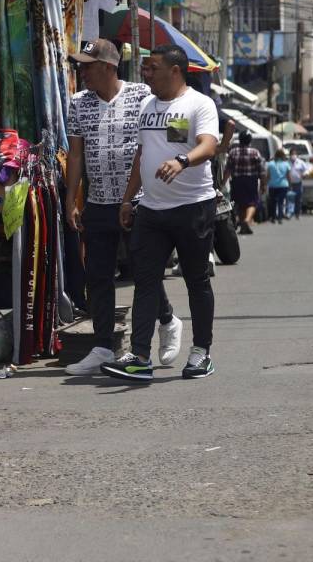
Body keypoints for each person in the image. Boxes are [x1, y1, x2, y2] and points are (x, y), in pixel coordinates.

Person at [100, 44, 220, 382]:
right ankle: (139, 356)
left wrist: (182, 161)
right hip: (152, 209)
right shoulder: (148, 106)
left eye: (152, 68)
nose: (145, 74)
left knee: (196, 280)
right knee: (145, 281)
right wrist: (127, 200)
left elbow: (208, 144)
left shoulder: (199, 103)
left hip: (193, 206)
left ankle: (201, 352)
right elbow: (143, 154)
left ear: (175, 70)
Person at [62, 40, 152, 376]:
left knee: (146, 272)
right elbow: (75, 155)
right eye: (81, 66)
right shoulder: (78, 103)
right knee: (98, 277)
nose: (82, 72)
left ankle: (168, 319)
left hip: (139, 202)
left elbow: (154, 142)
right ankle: (102, 346)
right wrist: (72, 200)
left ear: (109, 67)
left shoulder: (142, 95)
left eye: (88, 65)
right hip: (99, 202)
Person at [222, 131, 265, 234]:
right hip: (251, 180)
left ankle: (243, 226)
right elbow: (262, 171)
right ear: (250, 140)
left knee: (240, 203)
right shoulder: (255, 152)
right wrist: (263, 184)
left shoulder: (233, 152)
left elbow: (228, 170)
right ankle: (246, 220)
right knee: (253, 202)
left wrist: (222, 183)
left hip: (237, 180)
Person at [266, 148, 291, 223]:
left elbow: (268, 176)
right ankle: (280, 218)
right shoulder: (286, 164)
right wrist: (290, 184)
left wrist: (265, 183)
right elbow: (288, 176)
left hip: (272, 185)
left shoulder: (270, 164)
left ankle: (273, 218)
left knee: (273, 202)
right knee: (281, 202)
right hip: (283, 185)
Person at [287, 148, 310, 219]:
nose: (293, 155)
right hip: (289, 184)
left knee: (298, 199)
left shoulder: (300, 162)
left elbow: (307, 169)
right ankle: (290, 213)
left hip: (298, 183)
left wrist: (305, 174)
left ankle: (297, 213)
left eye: (294, 154)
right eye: (292, 154)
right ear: (290, 155)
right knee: (290, 199)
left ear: (296, 155)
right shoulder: (287, 163)